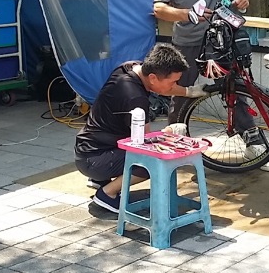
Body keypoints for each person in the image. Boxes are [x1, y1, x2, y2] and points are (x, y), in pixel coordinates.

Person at [153, 0, 269, 171]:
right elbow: (159, 8)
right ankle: (176, 146)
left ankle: (253, 142)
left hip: (223, 36)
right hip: (188, 40)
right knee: (179, 93)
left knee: (237, 87)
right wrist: (186, 14)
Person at [75, 43, 207, 213]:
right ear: (153, 77)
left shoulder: (131, 68)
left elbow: (163, 87)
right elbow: (145, 143)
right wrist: (169, 132)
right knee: (153, 160)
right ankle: (107, 194)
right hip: (94, 159)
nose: (175, 85)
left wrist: (189, 92)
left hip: (89, 148)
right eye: (173, 81)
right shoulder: (135, 97)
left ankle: (102, 179)